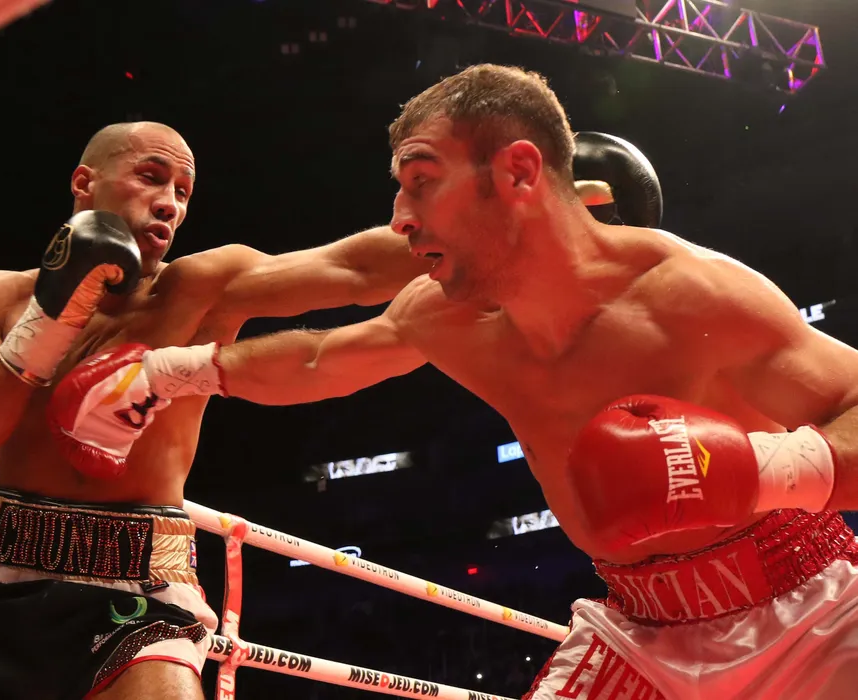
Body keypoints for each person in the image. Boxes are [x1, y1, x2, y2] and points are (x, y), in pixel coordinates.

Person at [70, 67, 858, 698]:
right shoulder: (445, 316)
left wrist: (758, 470)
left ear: (518, 171)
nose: (400, 216)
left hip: (814, 612)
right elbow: (319, 360)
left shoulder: (690, 297)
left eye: (421, 181)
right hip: (640, 631)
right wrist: (170, 372)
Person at [0, 120, 439, 700]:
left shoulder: (201, 287)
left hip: (139, 591)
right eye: (151, 177)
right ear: (85, 182)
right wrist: (46, 322)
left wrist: (474, 219)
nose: (169, 204)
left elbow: (357, 269)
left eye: (182, 192)